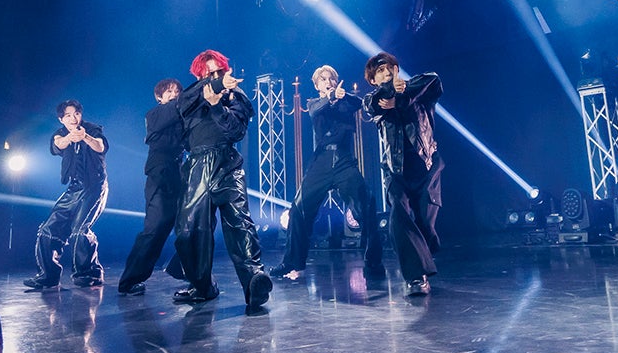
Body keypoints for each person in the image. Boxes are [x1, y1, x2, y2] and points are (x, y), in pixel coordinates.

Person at [171, 50, 273, 314]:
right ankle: (201, 286)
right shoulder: (191, 96)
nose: (215, 76)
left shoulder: (236, 97)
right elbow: (182, 106)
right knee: (189, 230)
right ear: (200, 75)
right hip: (197, 167)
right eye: (209, 73)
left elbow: (236, 131)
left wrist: (217, 106)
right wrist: (213, 87)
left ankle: (254, 281)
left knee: (240, 223)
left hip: (227, 164)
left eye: (219, 71)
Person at [276, 65, 385, 283]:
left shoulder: (346, 102)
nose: (328, 82)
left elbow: (358, 103)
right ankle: (292, 262)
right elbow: (316, 111)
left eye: (331, 79)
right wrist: (331, 97)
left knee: (366, 204)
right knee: (298, 209)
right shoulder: (313, 103)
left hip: (344, 160)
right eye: (323, 80)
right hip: (321, 162)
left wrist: (342, 96)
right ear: (317, 85)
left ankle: (373, 262)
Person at [364, 52, 442, 296]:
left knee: (425, 226)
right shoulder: (375, 101)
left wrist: (403, 93)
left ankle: (424, 252)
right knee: (399, 215)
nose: (387, 73)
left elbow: (434, 79)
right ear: (373, 80)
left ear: (397, 69)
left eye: (390, 68)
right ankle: (416, 277)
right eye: (380, 71)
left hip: (426, 165)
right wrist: (391, 93)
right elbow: (371, 103)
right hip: (395, 170)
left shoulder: (418, 91)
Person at [24, 100, 109, 290]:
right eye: (68, 115)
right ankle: (48, 276)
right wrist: (70, 137)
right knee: (48, 229)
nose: (73, 118)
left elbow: (100, 146)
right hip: (74, 188)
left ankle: (90, 273)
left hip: (94, 186)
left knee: (79, 229)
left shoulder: (92, 129)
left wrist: (85, 137)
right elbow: (58, 144)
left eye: (76, 114)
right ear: (61, 119)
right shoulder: (60, 133)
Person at [114, 80, 187, 296]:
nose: (174, 94)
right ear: (159, 97)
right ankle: (129, 281)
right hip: (159, 174)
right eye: (169, 91)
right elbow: (173, 110)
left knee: (190, 225)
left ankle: (182, 267)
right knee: (155, 228)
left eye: (177, 91)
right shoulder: (154, 114)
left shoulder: (181, 118)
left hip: (179, 174)